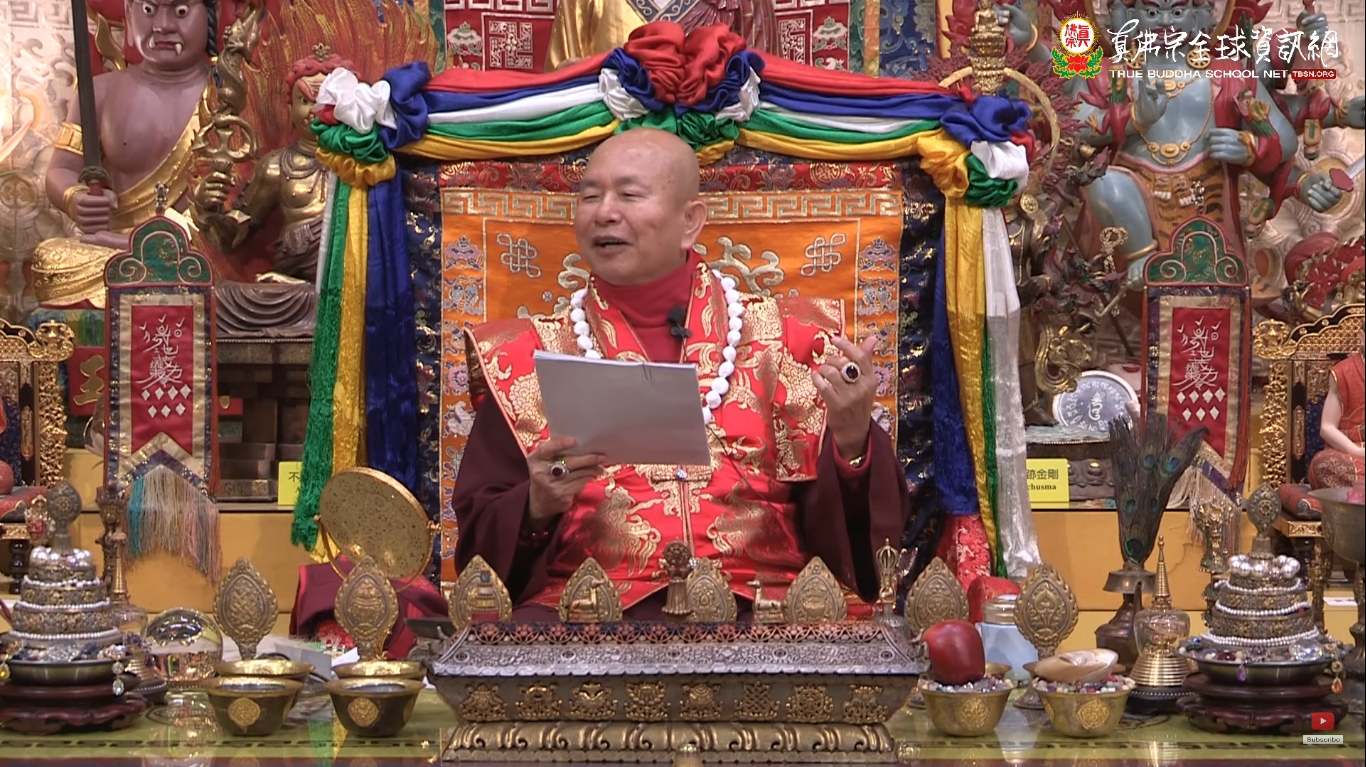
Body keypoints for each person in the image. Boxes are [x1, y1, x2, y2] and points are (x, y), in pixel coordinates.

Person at [451, 128, 910, 620]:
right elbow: (480, 559)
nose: (604, 212)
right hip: (586, 614)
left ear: (690, 221)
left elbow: (857, 554)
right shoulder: (525, 356)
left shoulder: (791, 340)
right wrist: (536, 504)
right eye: (589, 196)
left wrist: (852, 441)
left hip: (762, 609)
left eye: (629, 195)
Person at [32, 0, 216, 309]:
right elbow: (60, 169)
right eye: (148, 10)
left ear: (212, 15)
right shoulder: (100, 92)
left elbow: (245, 193)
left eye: (180, 11)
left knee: (221, 263)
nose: (162, 25)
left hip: (194, 247)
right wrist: (75, 197)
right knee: (50, 261)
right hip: (115, 250)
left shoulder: (230, 92)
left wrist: (165, 239)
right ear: (129, 15)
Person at [545, 0, 779, 71]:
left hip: (715, 149)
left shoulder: (747, 4)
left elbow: (767, 88)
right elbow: (561, 92)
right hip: (612, 152)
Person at [1312, 349, 1365, 489]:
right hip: (1354, 455)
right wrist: (1357, 452)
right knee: (1323, 464)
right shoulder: (1344, 372)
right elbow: (1327, 427)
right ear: (1361, 338)